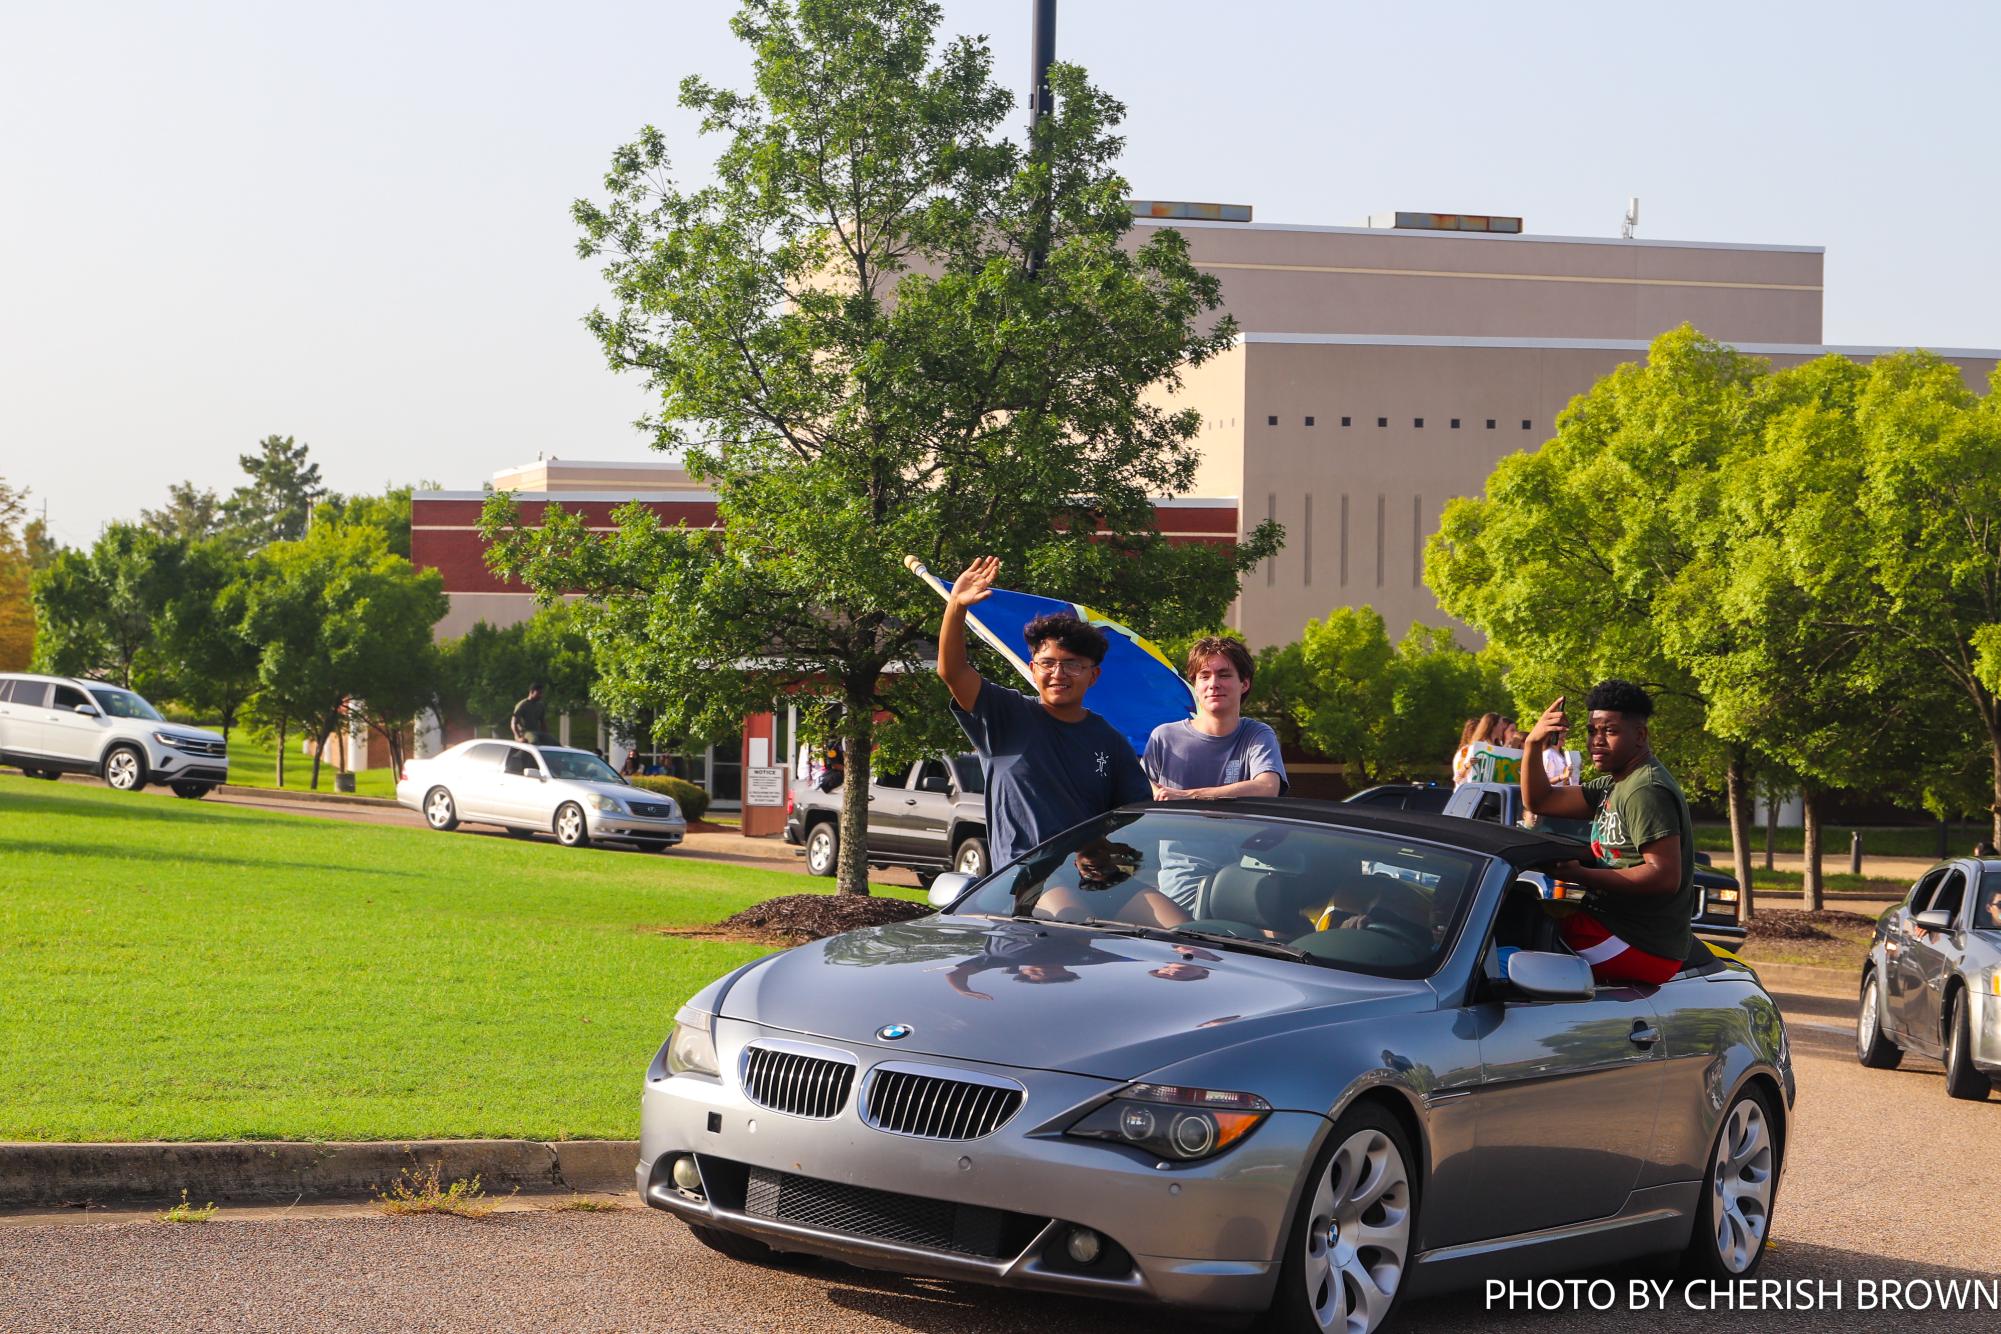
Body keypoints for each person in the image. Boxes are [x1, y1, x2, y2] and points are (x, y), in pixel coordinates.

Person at [936, 556, 1152, 867]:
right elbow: (952, 672)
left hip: (1090, 880)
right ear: (1032, 669)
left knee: (1170, 916)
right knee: (1066, 910)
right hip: (1022, 879)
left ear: (1094, 676)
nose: (1059, 674)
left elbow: (1135, 818)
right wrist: (957, 605)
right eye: (1048, 663)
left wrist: (1104, 855)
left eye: (1073, 664)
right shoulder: (1005, 715)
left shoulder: (1110, 741)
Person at [1521, 679, 1697, 986]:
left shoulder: (1646, 789)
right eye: (1592, 731)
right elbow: (1541, 800)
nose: (1596, 741)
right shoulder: (1615, 785)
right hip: (1613, 927)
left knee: (1512, 936)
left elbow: (1664, 876)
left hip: (1640, 944)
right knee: (1517, 907)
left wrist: (1580, 875)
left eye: (1610, 731)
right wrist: (1533, 744)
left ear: (1640, 735)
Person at [1144, 637, 1289, 802]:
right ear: (1195, 685)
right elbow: (1138, 791)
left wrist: (1188, 796)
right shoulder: (1163, 738)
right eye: (1204, 676)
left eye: (1224, 675)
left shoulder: (1257, 735)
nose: (1213, 684)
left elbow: (1267, 787)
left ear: (1245, 684)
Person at [1453, 712, 1501, 786]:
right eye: (1500, 725)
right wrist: (1467, 765)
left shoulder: (1499, 747)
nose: (1503, 728)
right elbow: (1458, 777)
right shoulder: (1471, 749)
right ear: (1493, 726)